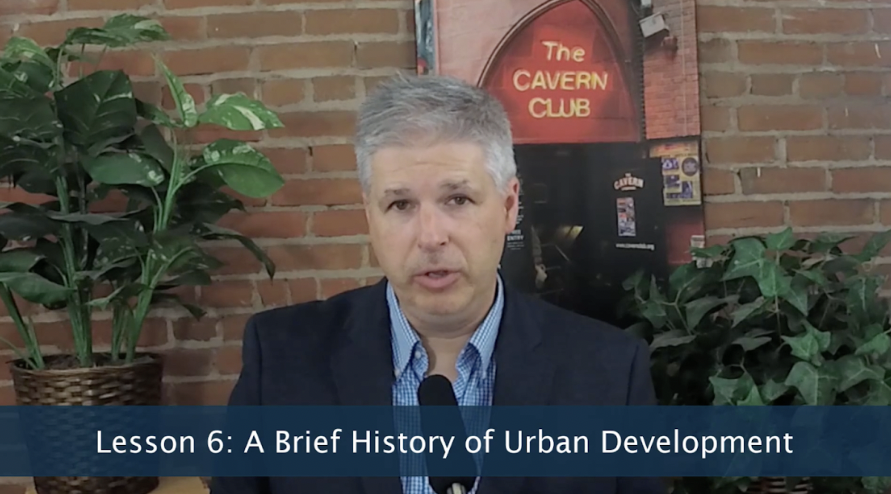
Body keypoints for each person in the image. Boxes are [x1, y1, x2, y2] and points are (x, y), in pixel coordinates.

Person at [209, 74, 665, 494]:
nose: (430, 236)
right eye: (401, 205)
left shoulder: (609, 372)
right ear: (370, 215)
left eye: (458, 199)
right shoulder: (281, 358)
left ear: (509, 206)